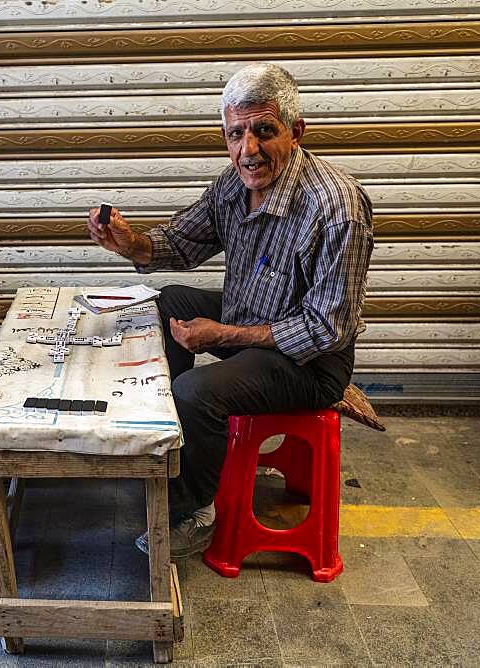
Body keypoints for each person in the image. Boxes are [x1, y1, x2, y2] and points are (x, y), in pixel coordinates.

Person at [87, 63, 373, 559]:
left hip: (310, 361)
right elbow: (181, 241)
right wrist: (130, 243)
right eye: (235, 134)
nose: (248, 150)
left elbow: (328, 328)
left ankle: (193, 509)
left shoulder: (336, 207)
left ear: (296, 132)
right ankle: (161, 440)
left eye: (264, 131)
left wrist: (224, 334)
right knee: (171, 299)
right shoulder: (234, 184)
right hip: (251, 316)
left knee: (195, 390)